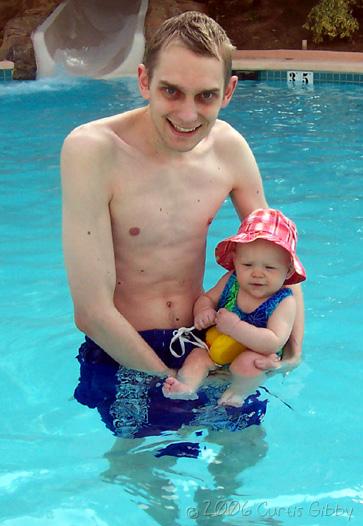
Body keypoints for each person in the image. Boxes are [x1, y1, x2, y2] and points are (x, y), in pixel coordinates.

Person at [61, 11, 304, 384]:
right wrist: (170, 380)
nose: (188, 114)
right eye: (171, 91)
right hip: (123, 350)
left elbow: (279, 251)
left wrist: (292, 351)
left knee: (247, 441)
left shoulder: (228, 148)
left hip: (202, 342)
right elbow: (91, 311)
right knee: (140, 445)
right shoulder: (94, 151)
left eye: (206, 96)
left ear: (228, 92)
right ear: (144, 81)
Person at [163, 208, 306, 406]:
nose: (257, 273)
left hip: (254, 354)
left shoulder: (284, 301)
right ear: (236, 261)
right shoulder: (232, 280)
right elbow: (207, 298)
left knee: (249, 364)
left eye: (270, 268)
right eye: (247, 265)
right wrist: (204, 311)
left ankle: (238, 391)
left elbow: (273, 341)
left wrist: (234, 328)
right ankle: (186, 387)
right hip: (218, 347)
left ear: (288, 270)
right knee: (197, 356)